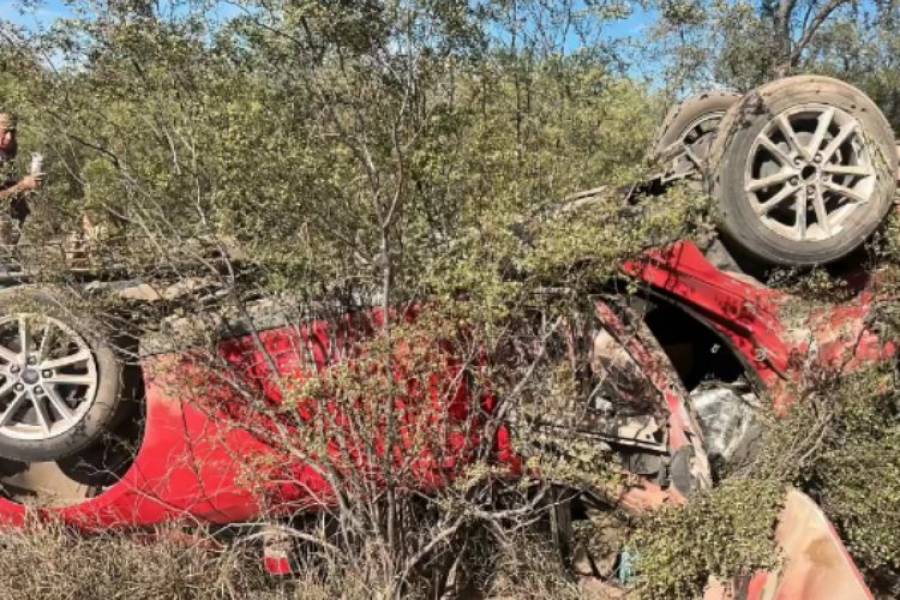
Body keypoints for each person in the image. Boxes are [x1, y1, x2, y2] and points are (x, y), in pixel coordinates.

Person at [0, 112, 42, 246]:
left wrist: (29, 186)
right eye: (5, 131)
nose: (9, 137)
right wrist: (22, 185)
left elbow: (8, 186)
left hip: (12, 222)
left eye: (13, 132)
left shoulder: (9, 152)